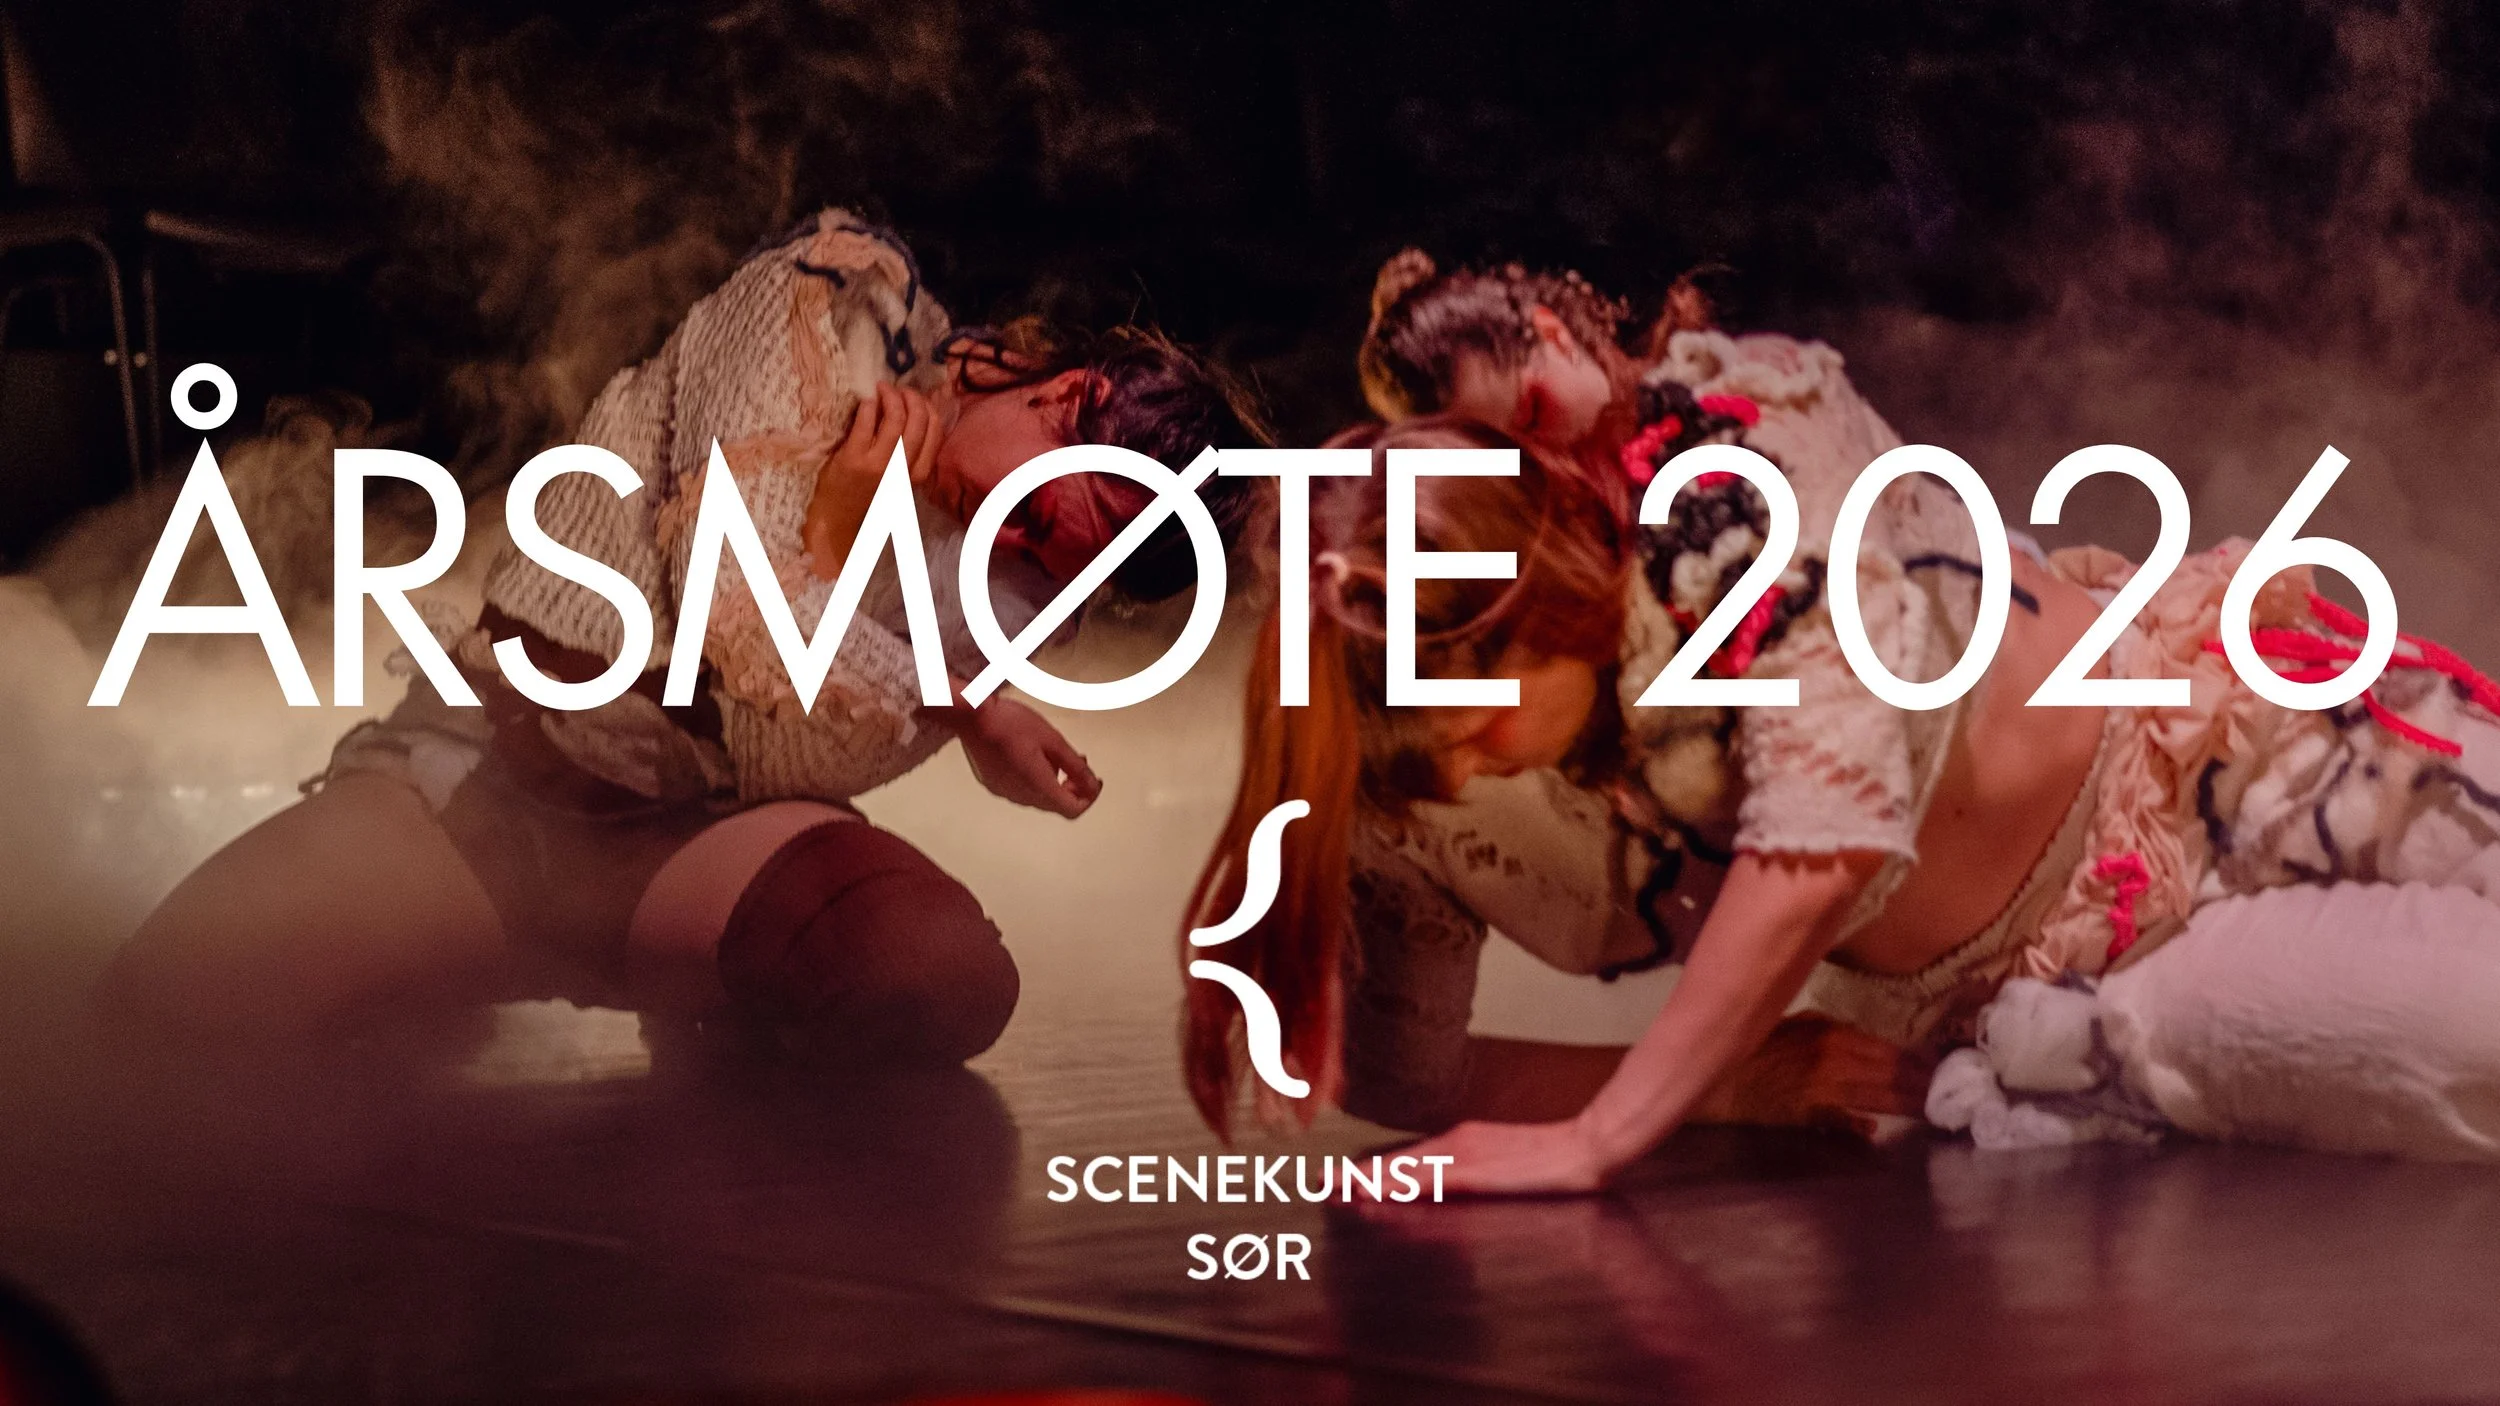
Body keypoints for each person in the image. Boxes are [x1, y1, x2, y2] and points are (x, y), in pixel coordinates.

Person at [1183, 394, 2500, 1189]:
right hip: (2076, 977)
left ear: (1541, 597)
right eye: (1434, 761)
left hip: (2238, 740)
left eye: (1475, 727)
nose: (1470, 771)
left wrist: (1607, 1131)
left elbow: (1832, 817)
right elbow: (1399, 1068)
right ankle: (2088, 1072)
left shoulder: (1713, 517)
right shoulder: (1403, 759)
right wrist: (1730, 1077)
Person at [99, 208, 1267, 1070]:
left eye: (1052, 565)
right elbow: (731, 598)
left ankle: (690, 992)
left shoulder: (1006, 580)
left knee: (930, 970)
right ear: (1063, 396)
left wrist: (967, 698)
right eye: (1038, 513)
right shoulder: (825, 305)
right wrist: (849, 548)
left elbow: (790, 753)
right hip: (486, 791)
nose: (1013, 548)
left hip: (685, 840)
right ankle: (438, 955)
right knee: (155, 1018)